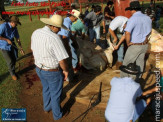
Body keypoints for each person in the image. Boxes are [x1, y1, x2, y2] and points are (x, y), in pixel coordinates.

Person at [31, 15, 69, 120]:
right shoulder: (54, 38)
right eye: (59, 27)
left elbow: (33, 49)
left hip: (39, 68)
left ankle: (47, 107)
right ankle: (57, 115)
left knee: (46, 88)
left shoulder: (36, 32)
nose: (60, 30)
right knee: (55, 93)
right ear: (53, 26)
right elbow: (62, 60)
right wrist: (65, 70)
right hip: (52, 71)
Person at [120, 1, 152, 79]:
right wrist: (145, 39)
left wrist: (128, 43)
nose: (130, 12)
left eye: (130, 10)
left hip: (135, 45)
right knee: (140, 63)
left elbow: (127, 33)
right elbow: (149, 31)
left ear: (133, 10)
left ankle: (123, 82)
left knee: (126, 64)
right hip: (144, 45)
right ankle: (137, 80)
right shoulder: (148, 18)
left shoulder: (132, 19)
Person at [58, 9, 80, 81]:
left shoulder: (67, 21)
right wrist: (68, 50)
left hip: (62, 41)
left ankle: (69, 76)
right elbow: (64, 38)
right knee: (68, 59)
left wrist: (74, 41)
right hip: (62, 43)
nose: (76, 19)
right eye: (76, 17)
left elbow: (69, 34)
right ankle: (69, 78)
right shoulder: (67, 23)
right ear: (72, 16)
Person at [0, 16, 24, 80]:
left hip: (11, 44)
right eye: (16, 24)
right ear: (12, 22)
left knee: (14, 58)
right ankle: (12, 74)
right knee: (10, 61)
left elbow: (17, 39)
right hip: (4, 46)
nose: (16, 25)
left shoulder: (15, 28)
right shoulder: (4, 26)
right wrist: (6, 40)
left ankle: (13, 71)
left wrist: (21, 48)